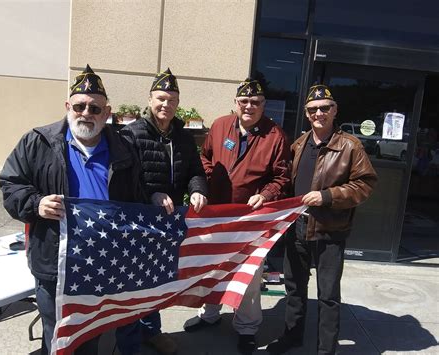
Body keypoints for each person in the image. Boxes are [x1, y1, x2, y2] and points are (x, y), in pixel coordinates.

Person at [0, 65, 145, 355]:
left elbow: (136, 196)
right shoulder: (38, 142)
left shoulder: (124, 147)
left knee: (89, 333)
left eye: (94, 108)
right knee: (58, 335)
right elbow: (10, 184)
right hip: (55, 261)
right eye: (79, 106)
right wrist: (35, 203)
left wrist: (155, 200)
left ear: (107, 112)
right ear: (68, 107)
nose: (86, 113)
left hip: (102, 262)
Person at [267, 84, 378, 355]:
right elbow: (285, 183)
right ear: (306, 113)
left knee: (328, 296)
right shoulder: (298, 144)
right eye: (313, 109)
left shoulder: (350, 146)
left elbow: (365, 185)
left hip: (330, 229)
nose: (319, 113)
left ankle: (326, 349)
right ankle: (293, 337)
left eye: (325, 108)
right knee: (294, 289)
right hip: (298, 227)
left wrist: (327, 196)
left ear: (335, 110)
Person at [183, 78, 292, 353]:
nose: (249, 106)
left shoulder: (275, 135)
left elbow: (282, 178)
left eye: (255, 102)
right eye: (243, 101)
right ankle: (209, 314)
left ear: (263, 105)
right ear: (235, 103)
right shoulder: (220, 125)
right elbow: (204, 157)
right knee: (213, 267)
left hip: (250, 219)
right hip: (216, 213)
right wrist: (210, 179)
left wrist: (265, 195)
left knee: (250, 274)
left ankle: (247, 327)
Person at [119, 68, 208, 355]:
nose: (165, 105)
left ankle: (152, 332)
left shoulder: (183, 136)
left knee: (156, 279)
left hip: (168, 222)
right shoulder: (130, 134)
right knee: (133, 283)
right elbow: (123, 181)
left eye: (172, 100)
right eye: (161, 98)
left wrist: (198, 189)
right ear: (149, 99)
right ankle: (129, 343)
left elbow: (196, 170)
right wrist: (151, 194)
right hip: (138, 220)